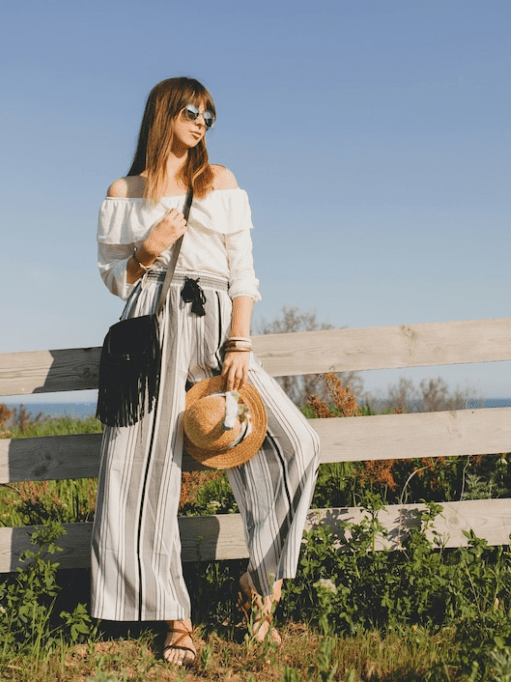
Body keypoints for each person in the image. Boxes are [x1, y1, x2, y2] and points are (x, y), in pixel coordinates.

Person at [91, 76, 321, 667]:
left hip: (217, 322)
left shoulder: (220, 181)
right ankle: (175, 617)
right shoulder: (125, 191)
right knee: (142, 472)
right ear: (164, 112)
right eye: (192, 111)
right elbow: (114, 279)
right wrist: (147, 247)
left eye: (209, 117)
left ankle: (258, 585)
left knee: (297, 444)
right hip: (151, 325)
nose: (201, 123)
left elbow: (244, 271)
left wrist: (239, 340)